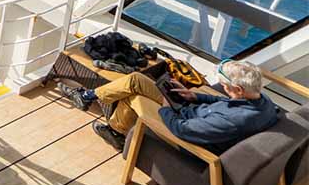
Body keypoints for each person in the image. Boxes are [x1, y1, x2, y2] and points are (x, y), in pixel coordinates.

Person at [59, 59, 279, 152]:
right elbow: (226, 102)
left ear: (239, 90)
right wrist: (194, 97)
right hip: (188, 111)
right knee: (135, 79)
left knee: (132, 95)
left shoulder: (233, 121)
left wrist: (165, 106)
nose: (222, 88)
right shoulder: (261, 100)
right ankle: (89, 97)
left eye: (224, 85)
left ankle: (116, 130)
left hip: (179, 128)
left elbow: (183, 131)